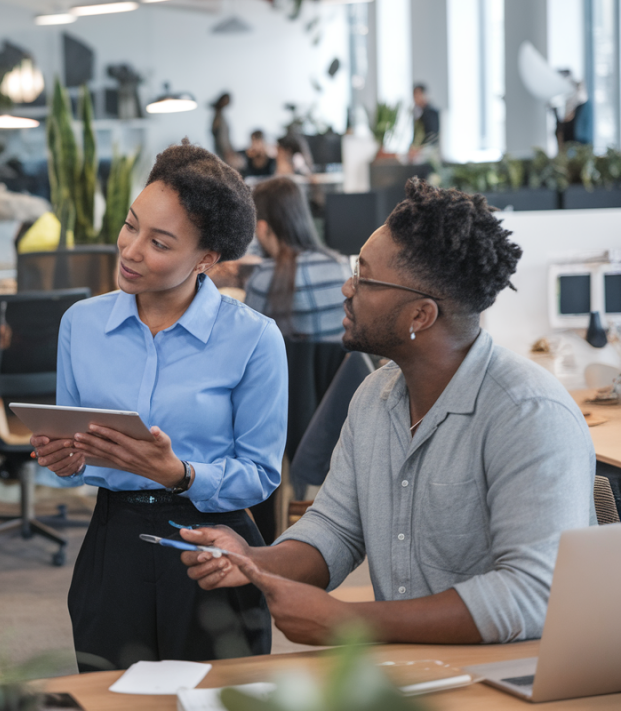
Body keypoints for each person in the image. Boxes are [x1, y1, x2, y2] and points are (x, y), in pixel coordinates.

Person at [182, 178, 596, 646]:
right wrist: (252, 559)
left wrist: (351, 622)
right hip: (410, 674)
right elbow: (336, 527)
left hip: (508, 681)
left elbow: (532, 596)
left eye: (364, 277)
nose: (347, 286)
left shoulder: (528, 415)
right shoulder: (375, 395)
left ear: (420, 316)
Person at [31, 140, 288, 671]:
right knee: (109, 695)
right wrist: (66, 461)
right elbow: (71, 459)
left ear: (207, 259)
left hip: (210, 545)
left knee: (214, 700)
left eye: (160, 243)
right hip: (113, 540)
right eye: (131, 226)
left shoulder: (254, 339)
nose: (130, 250)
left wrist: (182, 474)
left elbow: (261, 474)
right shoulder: (80, 324)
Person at [244, 177, 350, 341]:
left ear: (263, 227)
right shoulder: (340, 266)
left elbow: (248, 341)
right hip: (342, 366)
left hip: (287, 367)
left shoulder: (262, 279)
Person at [210, 92, 243, 170]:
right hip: (224, 151)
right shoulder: (219, 117)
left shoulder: (220, 115)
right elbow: (221, 136)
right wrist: (228, 152)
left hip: (225, 150)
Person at [409, 83, 439, 160]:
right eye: (414, 96)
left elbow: (433, 135)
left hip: (429, 152)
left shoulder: (431, 113)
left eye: (417, 96)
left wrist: (419, 149)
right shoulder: (417, 113)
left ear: (424, 95)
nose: (415, 99)